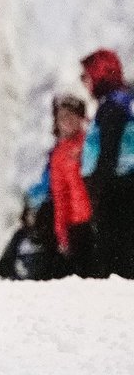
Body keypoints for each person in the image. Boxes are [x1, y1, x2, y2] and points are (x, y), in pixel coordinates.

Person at [79, 49, 134, 279]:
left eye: (86, 76)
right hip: (121, 186)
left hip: (117, 189)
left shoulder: (113, 106)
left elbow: (109, 152)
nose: (85, 82)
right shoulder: (121, 102)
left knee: (114, 256)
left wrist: (98, 187)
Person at [47, 93, 94, 277]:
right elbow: (60, 195)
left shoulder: (90, 142)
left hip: (95, 217)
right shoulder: (58, 154)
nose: (67, 122)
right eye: (62, 117)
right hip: (76, 222)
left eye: (71, 116)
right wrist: (61, 231)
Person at [0, 199, 53, 281]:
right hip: (20, 279)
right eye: (30, 214)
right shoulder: (20, 235)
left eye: (35, 214)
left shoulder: (47, 234)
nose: (33, 217)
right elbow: (5, 262)